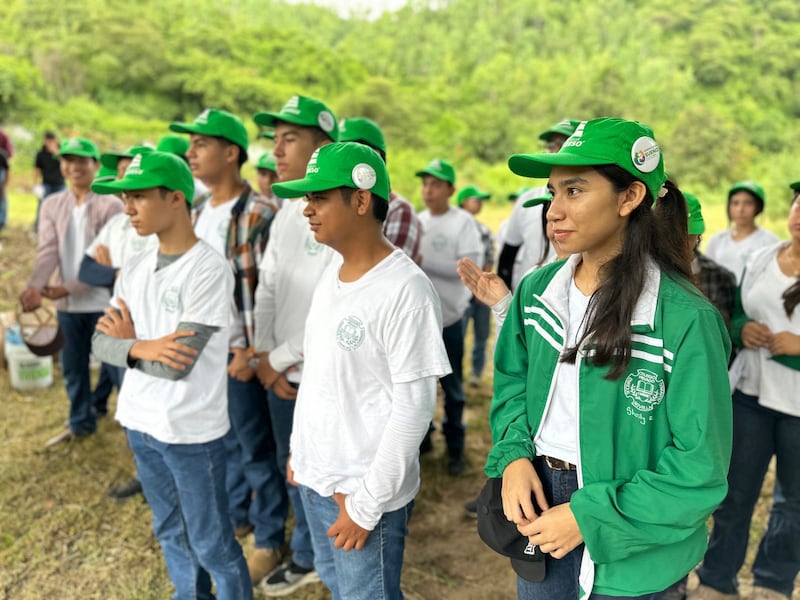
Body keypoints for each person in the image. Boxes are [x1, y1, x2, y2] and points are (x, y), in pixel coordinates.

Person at [487, 117, 733, 600]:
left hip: (634, 531)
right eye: (552, 192)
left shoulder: (684, 320)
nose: (553, 211)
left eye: (574, 190)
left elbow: (699, 466)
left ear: (630, 197)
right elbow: (512, 383)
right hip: (538, 505)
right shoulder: (538, 293)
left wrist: (588, 514)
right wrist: (515, 457)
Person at [271, 141, 451, 600]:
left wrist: (366, 506)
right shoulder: (332, 272)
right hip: (318, 478)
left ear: (360, 199)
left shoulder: (404, 290)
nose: (306, 209)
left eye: (319, 198)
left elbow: (414, 410)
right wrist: (301, 453)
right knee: (339, 585)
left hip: (361, 494)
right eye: (306, 199)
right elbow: (320, 375)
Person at [90, 151, 252, 600]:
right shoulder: (136, 266)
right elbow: (100, 343)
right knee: (168, 529)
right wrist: (141, 345)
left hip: (189, 431)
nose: (127, 208)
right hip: (139, 421)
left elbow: (176, 363)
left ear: (175, 198)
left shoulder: (209, 269)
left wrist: (131, 348)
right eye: (125, 198)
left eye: (139, 197)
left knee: (212, 542)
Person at [170, 108, 287, 585]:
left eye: (202, 144)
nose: (191, 152)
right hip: (204, 352)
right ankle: (238, 515)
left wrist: (252, 350)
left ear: (231, 152)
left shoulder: (260, 212)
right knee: (221, 441)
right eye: (190, 144)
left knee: (256, 446)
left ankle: (269, 538)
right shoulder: (196, 213)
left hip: (240, 352)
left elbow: (269, 292)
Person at [690, 182, 800, 600]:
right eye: (798, 204)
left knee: (793, 502)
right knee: (734, 494)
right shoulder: (760, 258)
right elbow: (736, 313)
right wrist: (743, 329)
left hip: (798, 406)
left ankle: (774, 581)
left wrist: (797, 346)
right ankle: (718, 578)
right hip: (751, 397)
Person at [252, 94, 338, 595]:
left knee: (310, 470)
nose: (278, 151)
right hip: (277, 368)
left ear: (323, 144)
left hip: (312, 371)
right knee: (290, 463)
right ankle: (304, 547)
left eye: (291, 139)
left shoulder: (338, 211)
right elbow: (268, 284)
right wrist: (265, 356)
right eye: (276, 139)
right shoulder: (288, 209)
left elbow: (332, 309)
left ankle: (308, 556)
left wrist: (279, 361)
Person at [20, 137, 124, 446]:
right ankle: (80, 422)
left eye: (82, 160)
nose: (74, 167)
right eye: (68, 160)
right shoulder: (53, 204)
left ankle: (133, 427)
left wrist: (65, 287)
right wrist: (35, 287)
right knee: (73, 367)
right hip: (67, 305)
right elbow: (48, 250)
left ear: (95, 165)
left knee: (117, 367)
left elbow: (107, 261)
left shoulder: (111, 204)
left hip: (105, 301)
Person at [416, 158, 483, 475]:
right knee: (419, 383)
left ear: (450, 189)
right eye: (425, 184)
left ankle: (455, 447)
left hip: (450, 318)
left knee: (452, 385)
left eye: (435, 184)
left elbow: (468, 269)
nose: (428, 190)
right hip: (419, 320)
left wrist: (420, 261)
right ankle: (423, 439)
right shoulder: (418, 221)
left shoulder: (462, 223)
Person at [497, 118, 580, 291]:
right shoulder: (526, 201)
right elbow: (508, 253)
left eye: (563, 143)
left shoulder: (591, 205)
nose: (552, 215)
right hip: (528, 295)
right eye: (551, 144)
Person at [339, 116, 422, 263]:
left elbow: (391, 271)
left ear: (380, 159)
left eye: (361, 150)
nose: (350, 160)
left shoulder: (399, 210)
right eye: (341, 152)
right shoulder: (332, 203)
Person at [456, 184, 495, 386]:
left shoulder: (483, 230)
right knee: (456, 335)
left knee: (481, 334)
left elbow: (489, 258)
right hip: (457, 292)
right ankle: (453, 374)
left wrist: (481, 287)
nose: (479, 203)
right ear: (462, 201)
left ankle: (476, 375)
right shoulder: (452, 228)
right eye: (475, 199)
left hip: (478, 292)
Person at [705, 181, 780, 283]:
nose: (740, 209)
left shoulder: (770, 242)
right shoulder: (717, 240)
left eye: (748, 203)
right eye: (735, 203)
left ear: (758, 207)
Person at [33, 131, 66, 232]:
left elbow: (65, 165)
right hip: (46, 183)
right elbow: (37, 169)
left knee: (61, 208)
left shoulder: (62, 152)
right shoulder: (41, 154)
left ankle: (59, 228)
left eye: (51, 141)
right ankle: (38, 229)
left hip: (60, 183)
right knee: (43, 207)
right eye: (47, 141)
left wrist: (56, 153)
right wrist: (36, 184)